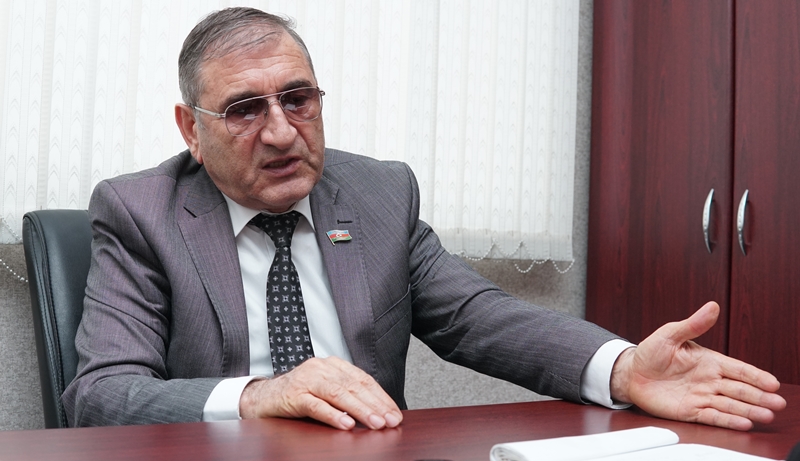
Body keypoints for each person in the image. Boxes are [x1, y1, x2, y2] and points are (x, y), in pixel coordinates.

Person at [62, 7, 786, 431]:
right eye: (246, 110)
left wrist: (623, 368)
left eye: (298, 99)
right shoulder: (140, 212)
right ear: (191, 128)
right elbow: (102, 394)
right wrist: (261, 394)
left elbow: (478, 317)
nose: (282, 132)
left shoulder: (379, 193)